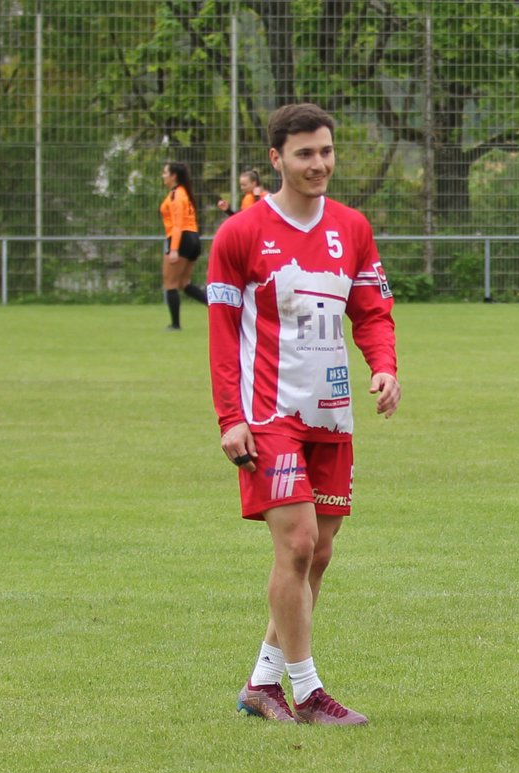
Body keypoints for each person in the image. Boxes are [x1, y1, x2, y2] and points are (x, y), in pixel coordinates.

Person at [208, 102, 401, 727]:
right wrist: (228, 417)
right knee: (296, 542)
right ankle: (308, 690)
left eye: (326, 152)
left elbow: (371, 310)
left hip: (333, 413)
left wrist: (384, 365)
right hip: (269, 415)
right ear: (276, 159)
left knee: (317, 555)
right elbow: (220, 332)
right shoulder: (240, 234)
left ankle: (260, 687)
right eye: (304, 154)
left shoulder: (353, 227)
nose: (319, 165)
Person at [159, 161, 208, 330]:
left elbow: (178, 223)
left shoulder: (177, 195)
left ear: (173, 176)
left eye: (165, 173)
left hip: (181, 239)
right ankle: (214, 305)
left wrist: (173, 249)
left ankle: (175, 324)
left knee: (170, 283)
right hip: (193, 237)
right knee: (183, 283)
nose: (163, 176)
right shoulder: (182, 193)